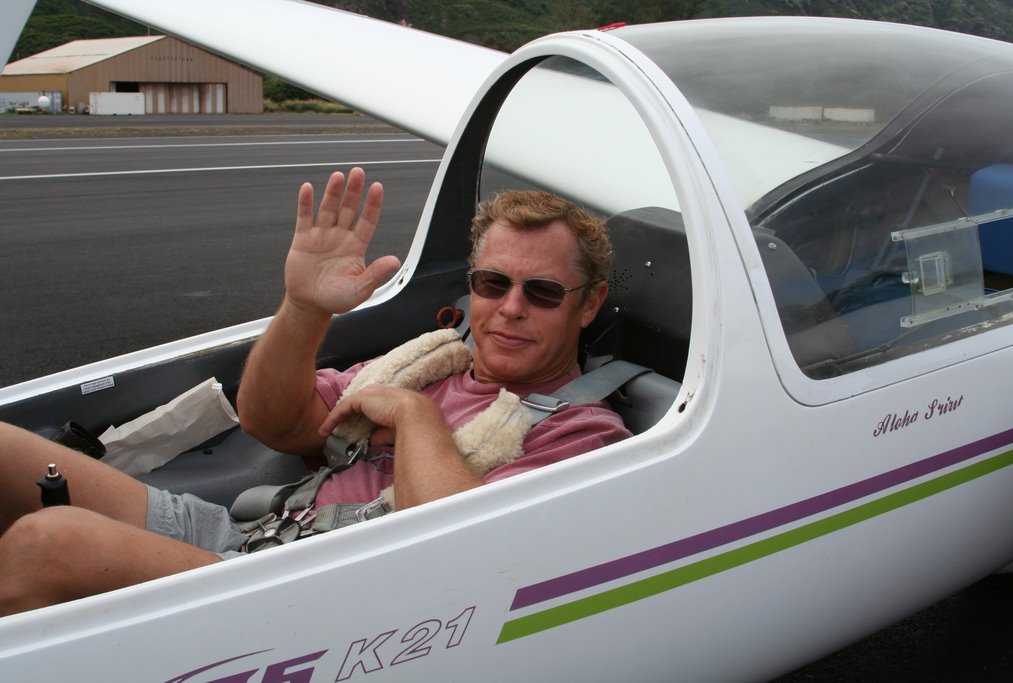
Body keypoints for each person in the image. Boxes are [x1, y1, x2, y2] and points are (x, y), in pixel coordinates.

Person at [0, 167, 631, 616]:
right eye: (493, 284)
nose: (510, 308)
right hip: (253, 532)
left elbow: (460, 552)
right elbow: (276, 423)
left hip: (309, 595)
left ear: (589, 305)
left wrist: (414, 418)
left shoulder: (583, 432)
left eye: (542, 292)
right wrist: (305, 309)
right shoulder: (433, 362)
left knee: (48, 543)